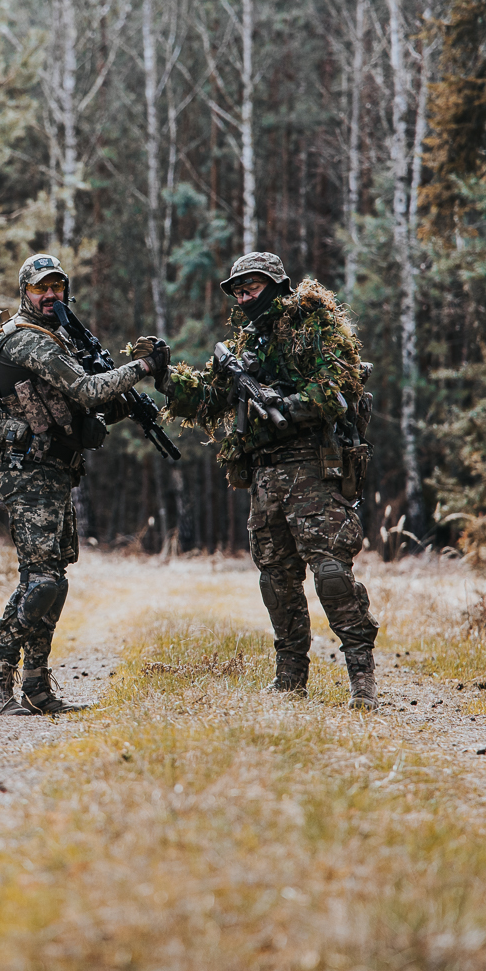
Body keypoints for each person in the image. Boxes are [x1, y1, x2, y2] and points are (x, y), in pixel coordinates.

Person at [158, 251, 381, 708]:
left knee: (332, 575)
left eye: (252, 288)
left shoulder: (314, 326)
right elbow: (210, 400)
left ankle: (362, 679)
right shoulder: (246, 345)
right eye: (238, 292)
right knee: (276, 582)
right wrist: (163, 376)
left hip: (314, 470)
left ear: (277, 286)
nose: (244, 298)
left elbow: (336, 389)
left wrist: (283, 406)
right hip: (266, 476)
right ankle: (290, 678)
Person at [0, 253, 168, 715]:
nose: (50, 295)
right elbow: (86, 389)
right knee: (41, 582)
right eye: (40, 288)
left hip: (57, 472)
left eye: (57, 287)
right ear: (25, 292)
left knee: (53, 582)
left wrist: (127, 405)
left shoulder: (60, 338)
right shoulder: (27, 341)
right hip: (28, 474)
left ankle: (36, 686)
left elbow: (81, 408)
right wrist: (141, 368)